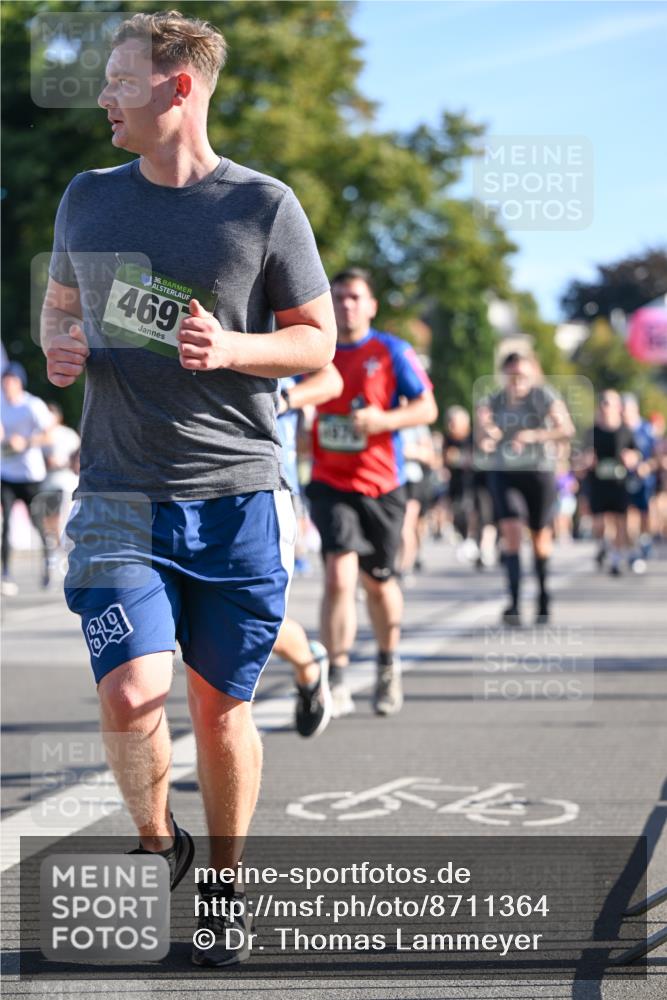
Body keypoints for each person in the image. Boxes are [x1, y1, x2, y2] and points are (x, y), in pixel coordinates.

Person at [40, 10, 335, 968]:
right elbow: (62, 303)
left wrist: (234, 346)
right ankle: (161, 837)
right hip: (120, 489)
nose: (103, 97)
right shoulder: (87, 196)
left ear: (177, 89)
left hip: (236, 490)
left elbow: (315, 339)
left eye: (120, 80)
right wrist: (61, 344)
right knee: (132, 693)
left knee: (218, 709)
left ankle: (225, 890)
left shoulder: (262, 206)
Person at [306, 268, 437, 717]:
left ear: (372, 305)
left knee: (378, 584)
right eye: (339, 297)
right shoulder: (315, 348)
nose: (346, 305)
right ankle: (336, 678)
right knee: (339, 575)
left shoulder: (391, 351)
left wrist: (384, 421)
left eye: (355, 297)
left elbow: (427, 406)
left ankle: (386, 663)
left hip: (383, 483)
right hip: (330, 481)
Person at [476, 352, 575, 625]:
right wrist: (486, 433)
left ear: (532, 374)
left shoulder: (543, 396)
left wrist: (535, 435)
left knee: (540, 537)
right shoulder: (495, 400)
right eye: (512, 375)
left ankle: (543, 595)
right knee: (511, 531)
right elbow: (483, 429)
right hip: (505, 472)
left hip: (538, 472)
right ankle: (515, 603)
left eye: (522, 375)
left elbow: (566, 428)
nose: (517, 381)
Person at [271, 365, 343, 737]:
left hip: (261, 485)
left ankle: (308, 662)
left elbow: (331, 380)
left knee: (250, 621)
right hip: (166, 484)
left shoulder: (273, 311)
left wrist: (285, 399)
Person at [1, 362, 54, 594]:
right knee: (7, 524)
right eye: (4, 382)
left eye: (11, 381)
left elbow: (49, 434)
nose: (7, 386)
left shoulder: (33, 405)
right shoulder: (1, 405)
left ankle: (47, 567)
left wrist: (26, 443)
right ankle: (6, 573)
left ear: (19, 383)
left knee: (37, 522)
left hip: (31, 475)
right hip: (7, 475)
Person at [584, 391, 639, 576]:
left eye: (609, 403)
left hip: (619, 483)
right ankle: (603, 545)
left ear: (618, 407)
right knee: (599, 524)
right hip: (597, 483)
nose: (605, 406)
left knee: (619, 521)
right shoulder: (591, 432)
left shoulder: (625, 431)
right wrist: (586, 460)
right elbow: (579, 457)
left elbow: (636, 454)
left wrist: (631, 458)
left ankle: (616, 560)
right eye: (602, 402)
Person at [443, 405, 495, 569]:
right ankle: (471, 542)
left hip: (483, 481)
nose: (452, 426)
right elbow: (448, 458)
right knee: (461, 514)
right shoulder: (450, 439)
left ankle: (485, 549)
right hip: (461, 483)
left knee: (485, 515)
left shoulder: (479, 435)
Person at [622, 393, 656, 570]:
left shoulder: (646, 429)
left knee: (646, 515)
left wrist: (647, 466)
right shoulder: (619, 430)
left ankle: (645, 539)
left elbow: (657, 456)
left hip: (646, 480)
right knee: (629, 515)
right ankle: (633, 551)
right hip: (624, 480)